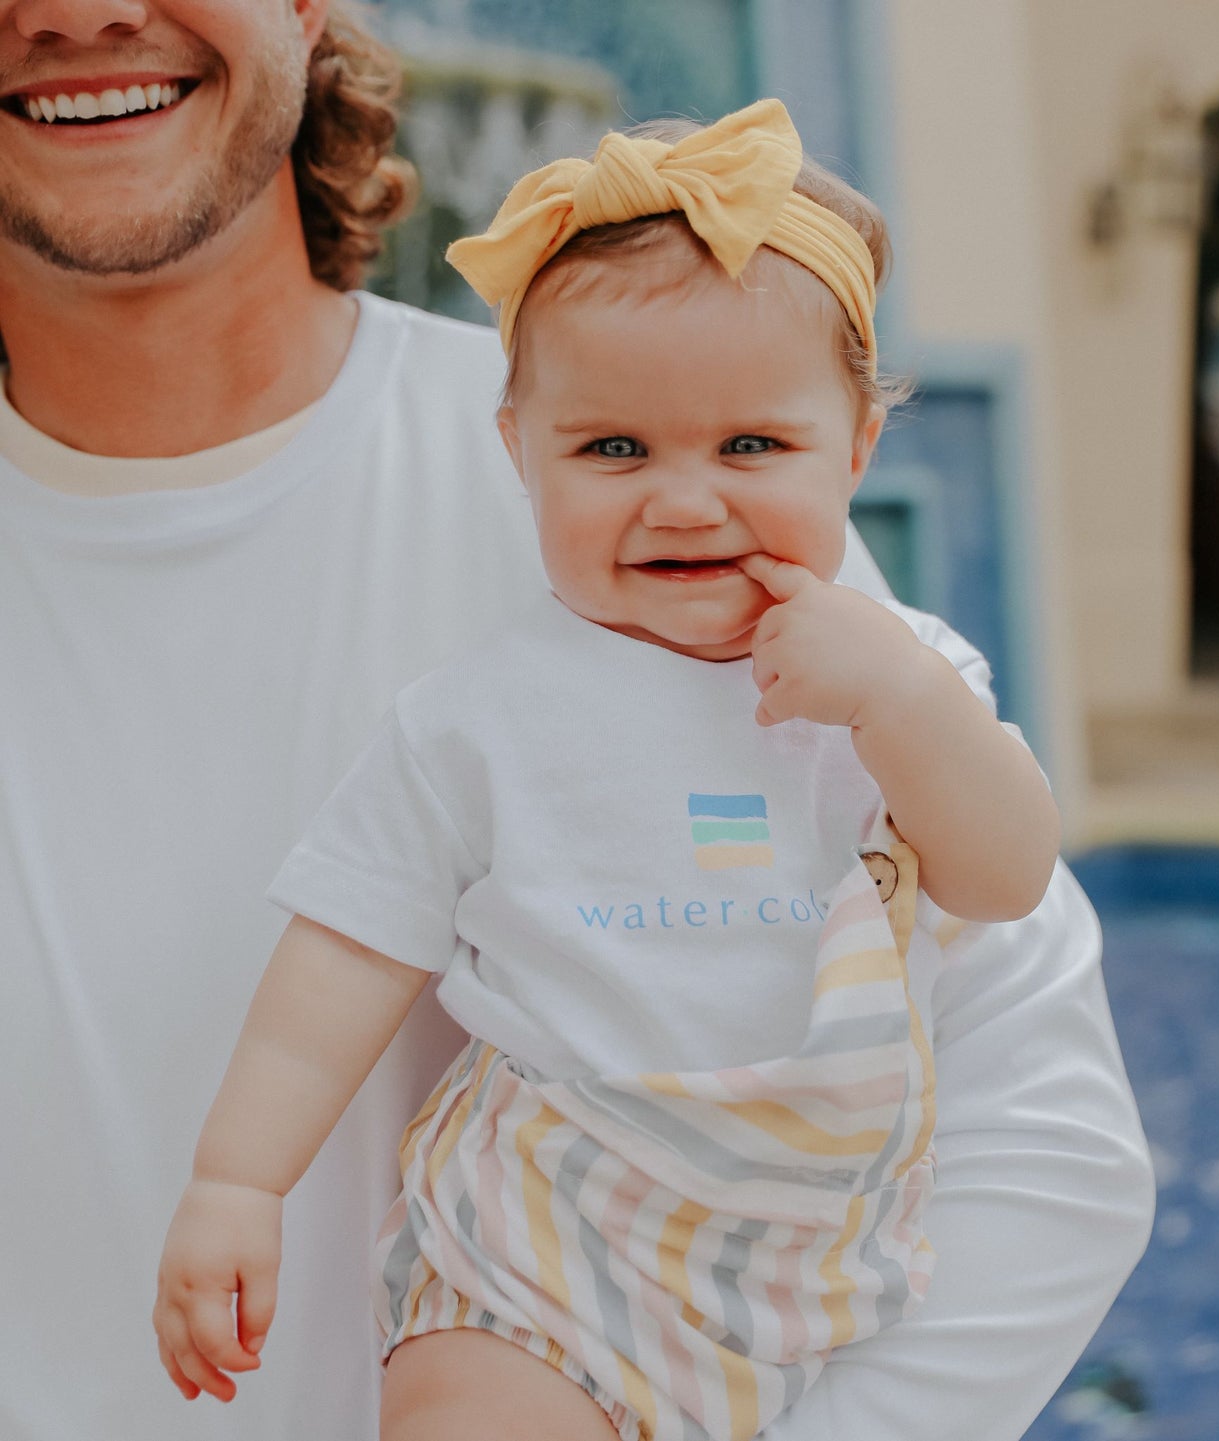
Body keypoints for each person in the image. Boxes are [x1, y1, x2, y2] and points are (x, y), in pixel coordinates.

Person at [0, 3, 1151, 1440]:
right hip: (500, 1329)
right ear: (530, 439)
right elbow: (341, 955)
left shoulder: (753, 588)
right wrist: (237, 1179)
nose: (71, 8)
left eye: (748, 451)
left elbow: (1039, 1124)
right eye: (615, 452)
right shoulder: (524, 631)